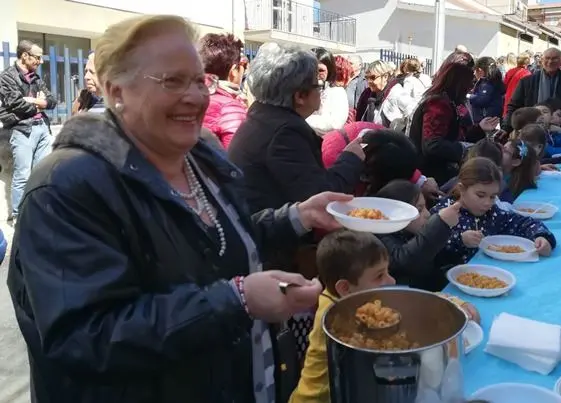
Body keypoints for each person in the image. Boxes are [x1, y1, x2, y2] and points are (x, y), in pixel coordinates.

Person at [6, 15, 352, 403]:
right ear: (115, 89)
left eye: (199, 80)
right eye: (172, 80)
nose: (196, 96)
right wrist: (237, 300)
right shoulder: (67, 187)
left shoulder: (200, 157)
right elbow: (87, 338)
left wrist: (297, 216)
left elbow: (217, 243)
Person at [228, 42, 365, 214]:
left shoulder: (262, 116)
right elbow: (321, 198)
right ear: (300, 96)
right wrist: (351, 158)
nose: (321, 91)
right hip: (270, 235)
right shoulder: (286, 133)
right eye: (318, 85)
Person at [289, 230, 396, 403]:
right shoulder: (335, 317)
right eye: (379, 276)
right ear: (345, 288)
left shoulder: (338, 295)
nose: (392, 281)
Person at [430, 157, 556, 266]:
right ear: (462, 189)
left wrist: (541, 236)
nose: (487, 203)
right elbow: (429, 253)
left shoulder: (492, 213)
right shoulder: (442, 214)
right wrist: (459, 240)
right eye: (480, 195)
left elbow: (522, 222)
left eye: (492, 197)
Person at [407, 61, 497, 186]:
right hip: (430, 173)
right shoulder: (438, 104)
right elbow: (432, 145)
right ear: (459, 83)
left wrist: (479, 128)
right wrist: (465, 149)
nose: (471, 88)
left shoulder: (446, 102)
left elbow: (452, 134)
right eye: (469, 83)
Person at [0, 39, 56, 224]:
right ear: (25, 56)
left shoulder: (37, 78)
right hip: (23, 130)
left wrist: (36, 102)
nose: (41, 61)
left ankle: (39, 211)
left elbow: (52, 100)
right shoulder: (7, 77)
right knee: (23, 174)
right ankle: (18, 215)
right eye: (38, 57)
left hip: (43, 129)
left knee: (42, 173)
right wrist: (38, 105)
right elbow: (15, 104)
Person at [375, 180, 461, 291]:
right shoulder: (379, 236)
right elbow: (405, 261)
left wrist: (460, 242)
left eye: (425, 207)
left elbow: (433, 261)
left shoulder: (409, 232)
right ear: (395, 214)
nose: (427, 214)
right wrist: (441, 223)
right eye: (419, 210)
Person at [503, 48, 561, 142]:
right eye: (547, 58)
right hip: (529, 132)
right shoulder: (527, 82)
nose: (550, 61)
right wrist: (506, 128)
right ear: (542, 60)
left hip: (557, 134)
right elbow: (513, 106)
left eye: (554, 58)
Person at [199, 33, 248, 149]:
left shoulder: (186, 95)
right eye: (243, 67)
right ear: (233, 70)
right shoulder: (230, 107)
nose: (244, 72)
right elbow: (236, 160)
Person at [359, 60, 416, 130]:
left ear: (385, 77)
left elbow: (413, 108)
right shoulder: (370, 94)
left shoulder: (395, 92)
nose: (369, 81)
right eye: (367, 78)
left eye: (372, 78)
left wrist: (400, 126)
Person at [306, 48, 349, 136]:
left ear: (329, 71)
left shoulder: (337, 92)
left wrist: (304, 118)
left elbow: (335, 124)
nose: (316, 75)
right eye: (312, 70)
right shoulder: (302, 90)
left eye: (321, 71)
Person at [469, 56, 505, 123]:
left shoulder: (487, 84)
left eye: (475, 70)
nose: (474, 73)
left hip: (486, 120)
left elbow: (481, 99)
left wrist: (469, 97)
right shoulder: (494, 81)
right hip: (492, 118)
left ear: (480, 70)